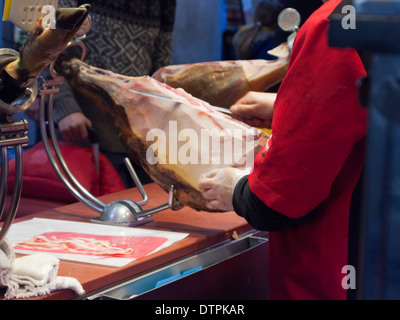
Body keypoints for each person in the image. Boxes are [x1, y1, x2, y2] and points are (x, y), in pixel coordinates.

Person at [199, 0, 367, 300]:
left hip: (335, 277)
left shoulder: (336, 24)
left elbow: (278, 200)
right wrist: (291, 108)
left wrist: (235, 189)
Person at [52, 0, 177, 187]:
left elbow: (161, 59)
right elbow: (48, 42)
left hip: (139, 138)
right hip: (85, 130)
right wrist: (65, 107)